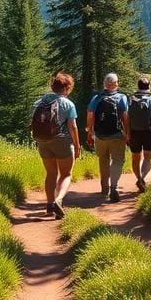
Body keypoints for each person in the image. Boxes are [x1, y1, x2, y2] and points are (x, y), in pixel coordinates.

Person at [32, 72, 81, 219]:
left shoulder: (40, 102)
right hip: (62, 141)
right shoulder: (68, 104)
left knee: (51, 173)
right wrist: (77, 146)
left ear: (53, 86)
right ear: (66, 88)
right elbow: (72, 126)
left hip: (43, 141)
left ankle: (49, 205)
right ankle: (58, 200)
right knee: (66, 174)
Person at [86, 73, 129, 202]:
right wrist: (127, 133)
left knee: (103, 160)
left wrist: (90, 132)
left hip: (100, 136)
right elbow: (125, 117)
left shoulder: (96, 98)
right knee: (117, 160)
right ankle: (114, 186)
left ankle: (104, 188)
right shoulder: (122, 97)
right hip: (117, 135)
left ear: (105, 84)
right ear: (116, 84)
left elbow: (90, 115)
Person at [128, 76, 151, 193]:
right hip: (148, 132)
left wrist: (127, 133)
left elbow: (126, 118)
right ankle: (142, 178)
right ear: (149, 86)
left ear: (138, 86)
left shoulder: (131, 100)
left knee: (135, 159)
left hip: (134, 132)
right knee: (147, 158)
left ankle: (139, 178)